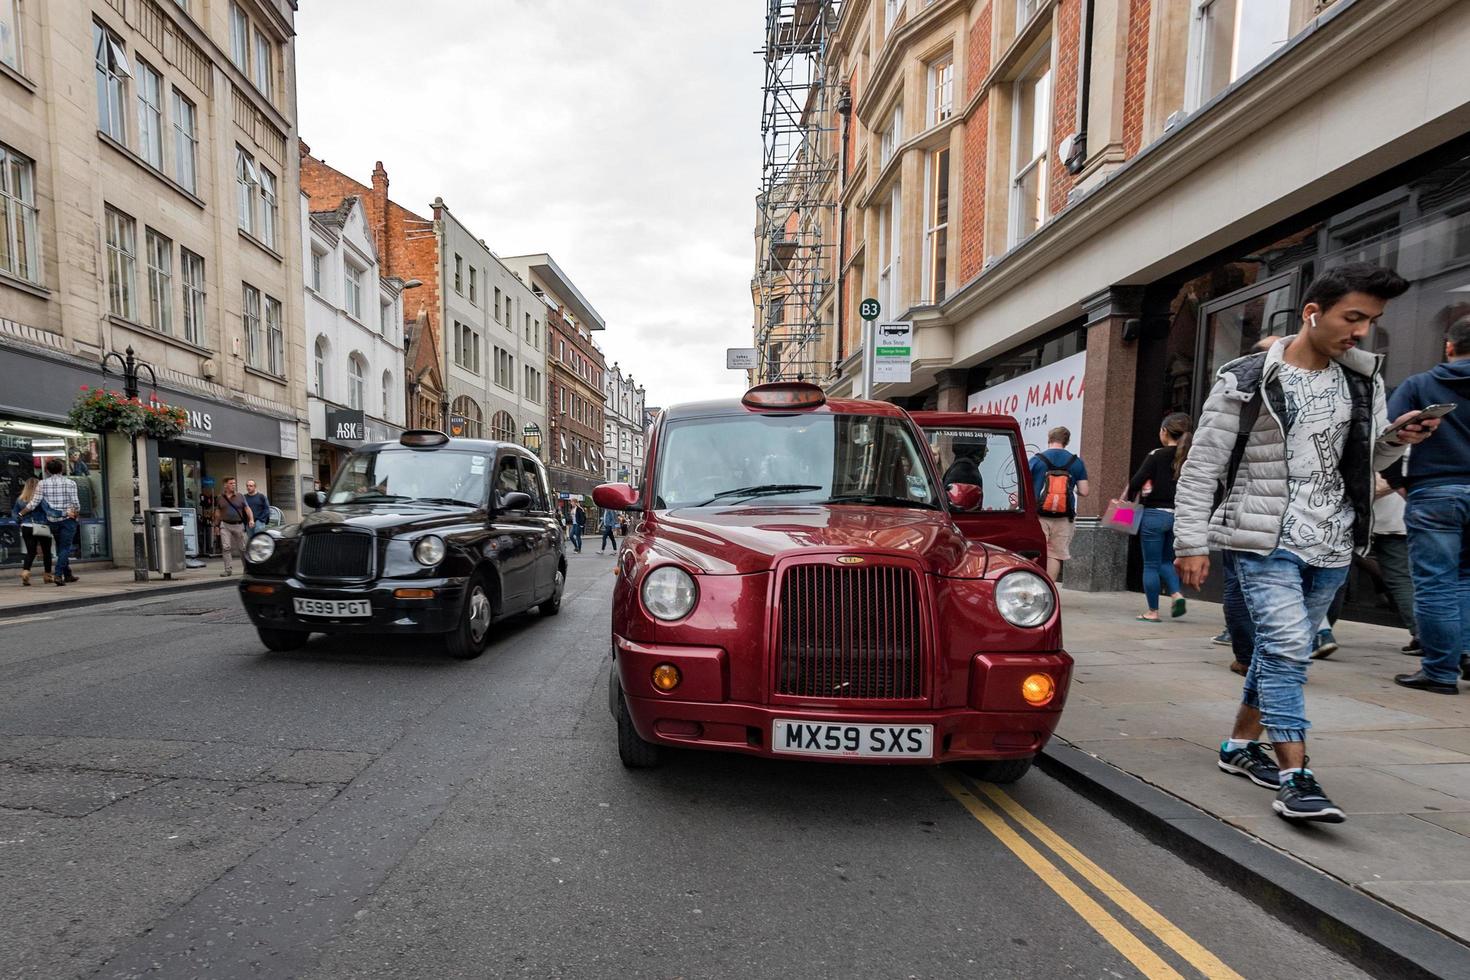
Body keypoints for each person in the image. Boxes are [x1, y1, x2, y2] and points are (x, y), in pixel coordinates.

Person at [1174, 263, 1438, 823]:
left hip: (1333, 540)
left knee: (1277, 650)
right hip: (1262, 535)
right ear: (1312, 313)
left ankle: (1239, 747)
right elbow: (1201, 466)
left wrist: (1399, 439)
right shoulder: (1246, 377)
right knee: (1292, 647)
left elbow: (1363, 464)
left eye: (1372, 320)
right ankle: (1296, 774)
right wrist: (1190, 540)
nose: (1362, 330)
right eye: (1353, 317)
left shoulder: (1362, 379)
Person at [1388, 314, 1470, 694]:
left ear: (1449, 346)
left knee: (1435, 583)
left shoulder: (1420, 384)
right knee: (1467, 579)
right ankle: (1466, 654)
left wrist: (1398, 483)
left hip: (1435, 492)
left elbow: (1386, 438)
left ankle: (1439, 671)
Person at [1124, 412, 1192, 622]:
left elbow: (1135, 482)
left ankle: (1152, 611)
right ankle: (1176, 594)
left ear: (1164, 432)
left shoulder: (1156, 455)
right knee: (1166, 561)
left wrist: (1134, 495)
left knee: (1151, 565)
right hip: (1178, 516)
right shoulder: (1190, 457)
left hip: (1153, 516)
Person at [1029, 427, 1089, 580]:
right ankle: (1049, 592)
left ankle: (1032, 588)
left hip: (1038, 515)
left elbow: (1024, 486)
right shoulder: (1076, 462)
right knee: (1054, 555)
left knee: (1035, 552)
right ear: (1066, 441)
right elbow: (1084, 491)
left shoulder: (1037, 459)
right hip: (1064, 515)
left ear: (1049, 438)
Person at [22, 458, 80, 586]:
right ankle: (58, 575)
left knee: (61, 547)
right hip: (68, 520)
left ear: (47, 471)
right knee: (65, 548)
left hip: (52, 521)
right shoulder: (70, 483)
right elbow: (75, 503)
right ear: (62, 469)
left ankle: (68, 574)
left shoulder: (42, 484)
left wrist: (22, 513)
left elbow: (34, 503)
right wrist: (76, 514)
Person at [11, 477, 54, 586]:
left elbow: (15, 514)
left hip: (26, 527)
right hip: (42, 526)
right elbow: (48, 511)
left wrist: (19, 521)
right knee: (46, 552)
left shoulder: (20, 499)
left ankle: (26, 572)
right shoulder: (41, 498)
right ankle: (47, 576)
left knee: (31, 552)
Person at [214, 477, 255, 577]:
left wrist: (251, 519)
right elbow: (218, 512)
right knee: (226, 547)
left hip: (238, 525)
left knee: (242, 548)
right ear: (225, 485)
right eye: (231, 483)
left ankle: (247, 569)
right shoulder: (220, 497)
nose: (233, 485)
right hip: (225, 525)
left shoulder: (240, 496)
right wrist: (216, 525)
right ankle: (227, 570)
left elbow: (247, 508)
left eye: (234, 483)